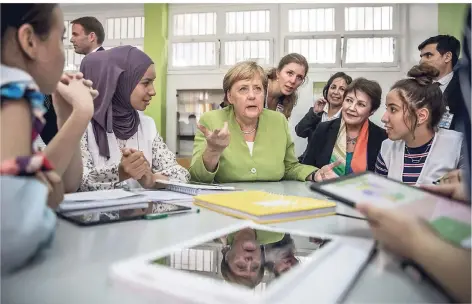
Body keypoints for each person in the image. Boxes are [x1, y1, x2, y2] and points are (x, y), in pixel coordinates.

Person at [1, 3, 96, 273]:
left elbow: (66, 183)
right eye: (62, 38)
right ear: (30, 41)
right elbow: (11, 234)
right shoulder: (13, 88)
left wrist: (67, 116)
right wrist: (83, 113)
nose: (64, 53)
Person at [79, 45, 189, 191]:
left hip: (143, 213)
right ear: (119, 82)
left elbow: (181, 175)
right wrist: (119, 173)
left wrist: (152, 179)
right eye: (146, 82)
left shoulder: (146, 125)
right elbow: (76, 183)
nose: (153, 91)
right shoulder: (82, 126)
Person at [189, 61, 317, 183]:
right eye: (243, 89)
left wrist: (314, 174)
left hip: (271, 201)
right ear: (230, 96)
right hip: (228, 202)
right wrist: (213, 151)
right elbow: (197, 178)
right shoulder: (211, 120)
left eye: (257, 89)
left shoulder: (278, 121)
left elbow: (290, 168)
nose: (252, 96)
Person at [375, 64, 464, 186]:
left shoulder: (458, 146)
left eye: (393, 109)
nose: (384, 118)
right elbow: (378, 195)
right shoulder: (387, 149)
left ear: (421, 116)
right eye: (387, 109)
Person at [302, 78, 387, 181]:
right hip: (321, 194)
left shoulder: (381, 137)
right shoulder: (324, 129)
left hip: (362, 196)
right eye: (349, 100)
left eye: (361, 104)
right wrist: (317, 174)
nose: (351, 108)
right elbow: (305, 167)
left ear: (372, 111)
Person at [41, 16, 105, 145]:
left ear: (91, 37)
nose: (71, 39)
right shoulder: (94, 61)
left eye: (75, 34)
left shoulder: (97, 61)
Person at [295, 72, 353, 161]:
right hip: (309, 163)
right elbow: (300, 132)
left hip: (333, 166)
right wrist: (315, 112)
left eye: (342, 89)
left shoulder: (348, 117)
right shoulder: (318, 112)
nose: (336, 92)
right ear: (327, 89)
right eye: (333, 87)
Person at [418, 35, 463, 131]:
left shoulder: (465, 91)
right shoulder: (415, 88)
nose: (421, 61)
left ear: (447, 57)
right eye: (421, 56)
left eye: (428, 55)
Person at [220, 228, 284, 288]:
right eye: (255, 266)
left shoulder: (219, 230)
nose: (249, 261)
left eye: (241, 266)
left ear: (227, 256)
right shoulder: (275, 233)